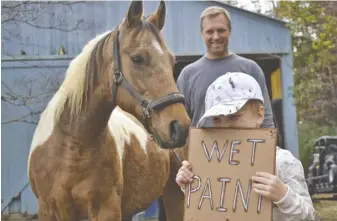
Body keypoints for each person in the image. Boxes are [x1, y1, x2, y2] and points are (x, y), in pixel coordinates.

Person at [176, 72, 316, 221]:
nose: (225, 126)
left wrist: (283, 195)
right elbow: (214, 208)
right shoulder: (212, 162)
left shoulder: (282, 162)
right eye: (217, 119)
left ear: (260, 115)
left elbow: (308, 216)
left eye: (234, 117)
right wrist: (190, 185)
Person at [177, 6, 274, 128]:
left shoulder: (250, 69)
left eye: (221, 30)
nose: (216, 36)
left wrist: (268, 144)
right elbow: (181, 122)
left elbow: (266, 118)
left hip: (245, 146)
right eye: (210, 31)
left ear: (230, 30)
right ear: (202, 33)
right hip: (203, 147)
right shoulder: (188, 75)